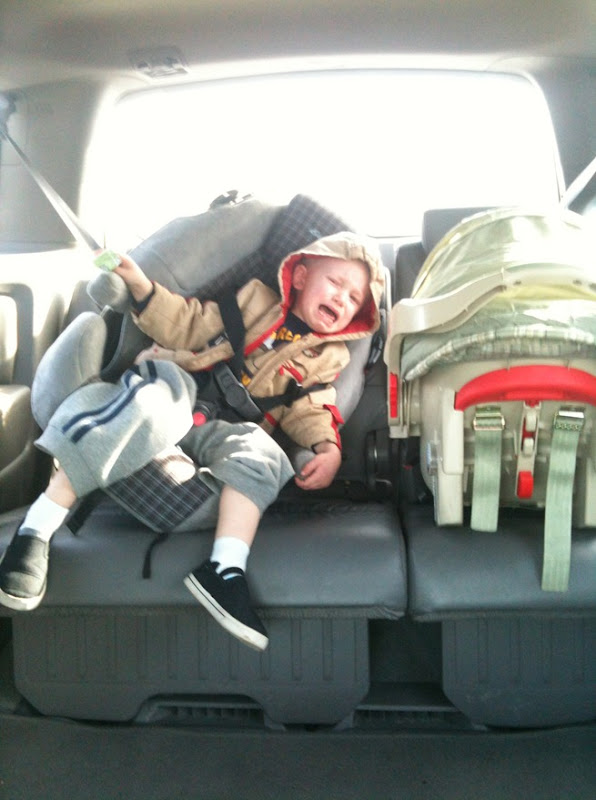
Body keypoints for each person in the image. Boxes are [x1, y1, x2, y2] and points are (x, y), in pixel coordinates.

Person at [0, 231, 384, 650]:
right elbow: (188, 322)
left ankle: (224, 571)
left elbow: (311, 407)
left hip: (229, 425)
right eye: (335, 283)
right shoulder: (254, 300)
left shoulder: (330, 357)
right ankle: (36, 528)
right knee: (144, 409)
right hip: (179, 384)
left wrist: (329, 448)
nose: (342, 298)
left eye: (354, 299)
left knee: (267, 456)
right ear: (301, 277)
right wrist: (141, 286)